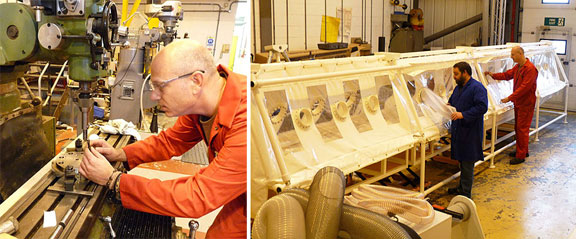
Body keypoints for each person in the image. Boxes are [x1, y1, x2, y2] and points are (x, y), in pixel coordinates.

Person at [79, 40, 247, 238]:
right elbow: (170, 141)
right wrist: (121, 154)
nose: (153, 96)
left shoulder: (243, 123)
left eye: (160, 86)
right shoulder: (200, 107)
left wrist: (114, 180)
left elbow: (197, 196)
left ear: (196, 81)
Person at [484, 46, 538, 165]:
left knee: (522, 129)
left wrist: (509, 98)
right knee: (518, 128)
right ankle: (523, 151)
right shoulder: (518, 67)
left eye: (513, 54)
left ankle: (521, 156)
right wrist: (493, 75)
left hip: (526, 103)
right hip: (519, 102)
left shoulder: (530, 69)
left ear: (520, 53)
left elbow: (525, 88)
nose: (511, 57)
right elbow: (507, 75)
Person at [447, 62, 488, 199]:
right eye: (453, 74)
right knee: (461, 161)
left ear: (465, 73)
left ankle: (465, 194)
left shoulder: (477, 88)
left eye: (456, 74)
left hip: (470, 131)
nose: (454, 77)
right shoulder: (459, 88)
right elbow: (452, 102)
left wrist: (463, 114)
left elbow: (482, 107)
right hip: (459, 130)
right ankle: (461, 187)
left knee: (467, 163)